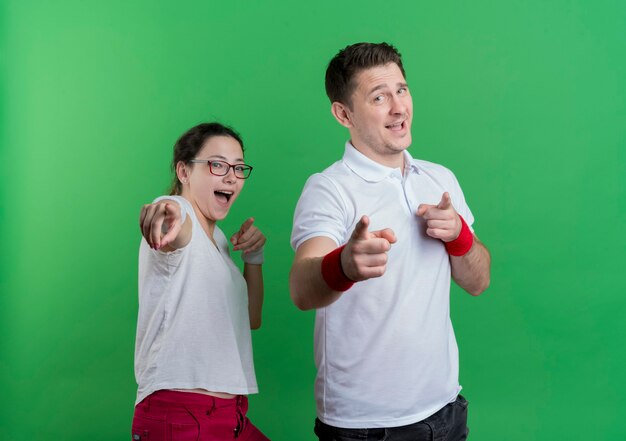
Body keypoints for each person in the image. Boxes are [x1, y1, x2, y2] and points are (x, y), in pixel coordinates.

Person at [289, 42, 491, 440]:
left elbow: (478, 281)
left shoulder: (439, 179)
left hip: (446, 411)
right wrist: (344, 265)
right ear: (343, 114)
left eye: (402, 90)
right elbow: (301, 288)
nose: (399, 107)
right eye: (379, 97)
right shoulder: (328, 189)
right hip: (366, 426)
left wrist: (459, 236)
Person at [132, 122, 270, 441]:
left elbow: (252, 318)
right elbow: (172, 222)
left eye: (238, 167)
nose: (232, 176)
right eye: (217, 165)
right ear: (183, 172)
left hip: (229, 414)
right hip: (180, 414)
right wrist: (164, 213)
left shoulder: (220, 241)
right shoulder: (182, 213)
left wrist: (254, 258)